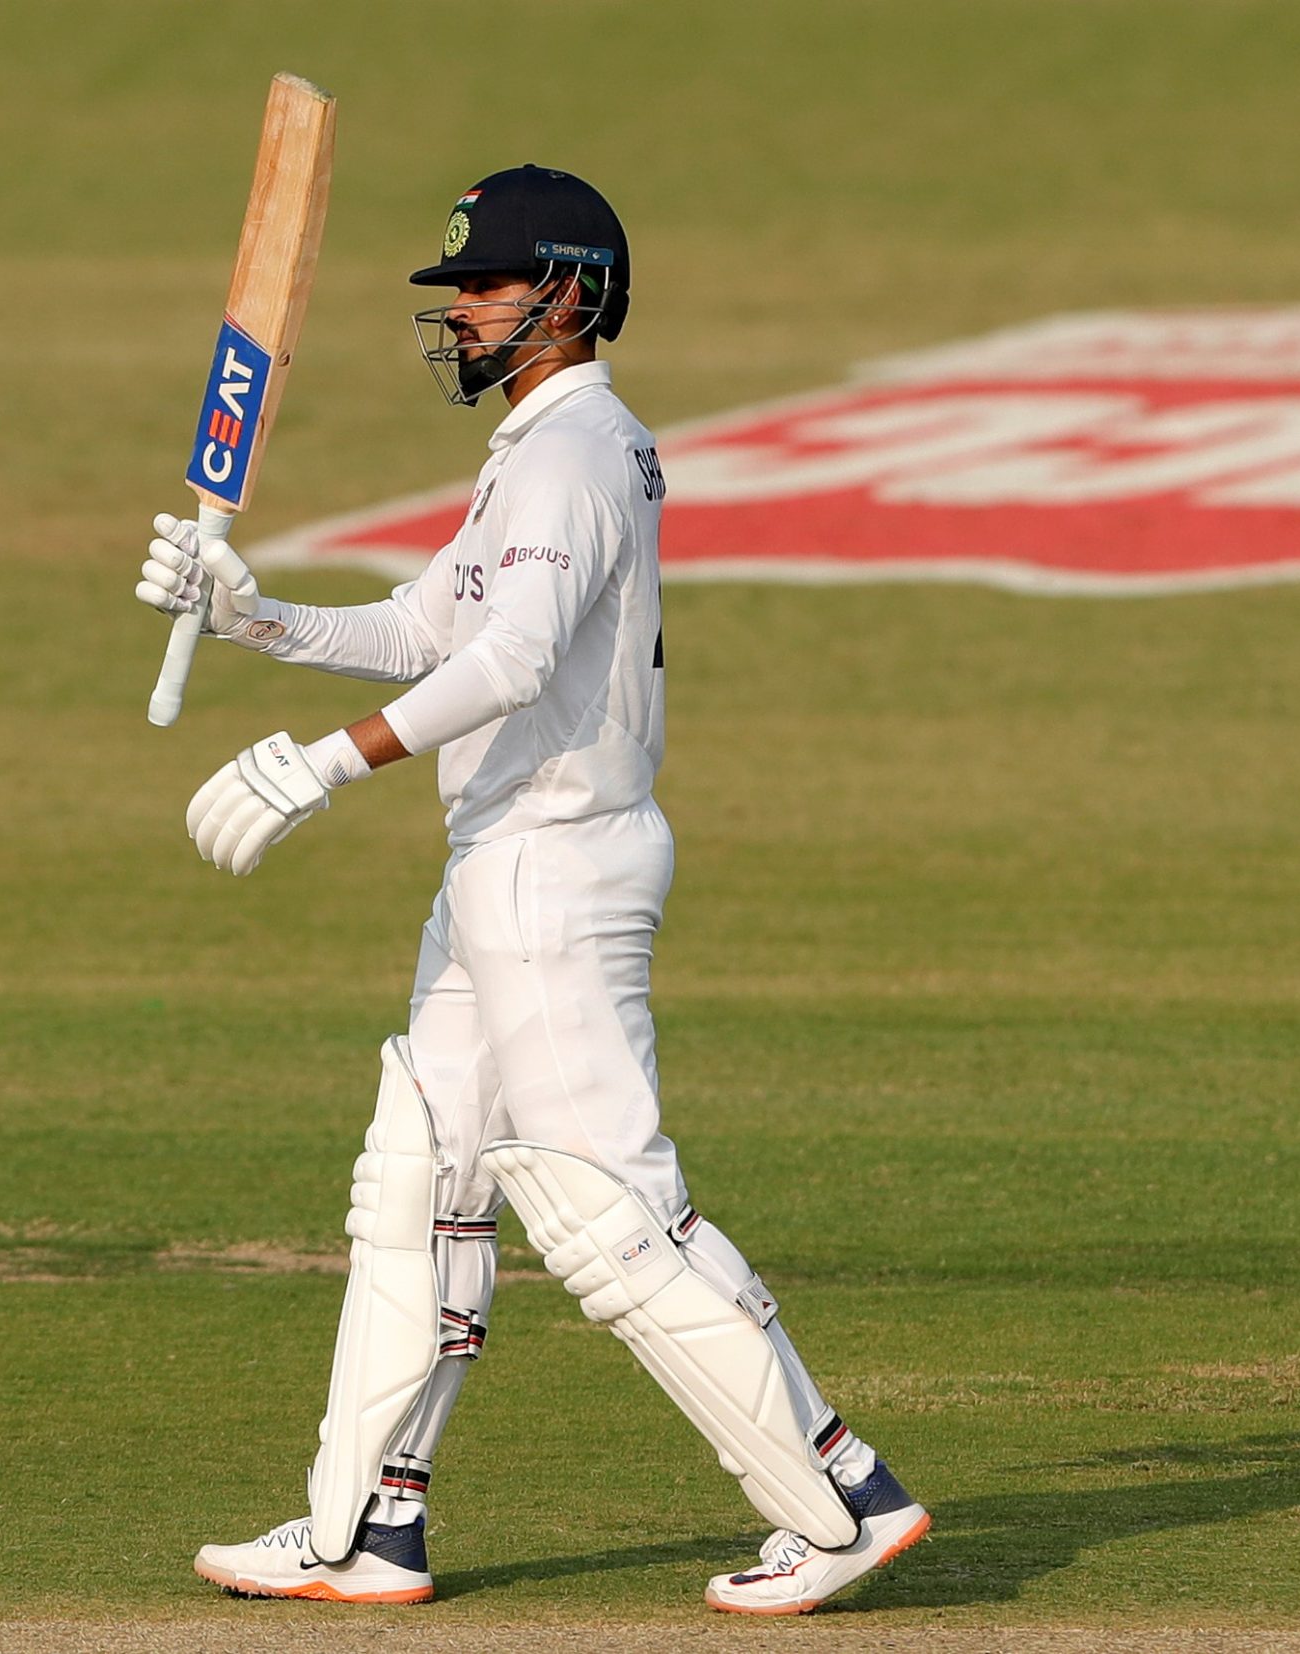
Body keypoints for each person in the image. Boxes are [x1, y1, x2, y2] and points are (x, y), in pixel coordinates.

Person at [134, 165, 930, 1616]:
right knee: (420, 1178)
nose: (463, 314)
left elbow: (507, 663)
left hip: (556, 864)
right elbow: (425, 626)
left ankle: (842, 1501)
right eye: (458, 293)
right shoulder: (538, 450)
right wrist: (255, 616)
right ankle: (366, 1528)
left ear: (569, 292)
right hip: (498, 863)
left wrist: (324, 766)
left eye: (487, 287)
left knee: (606, 1208)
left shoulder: (574, 451)